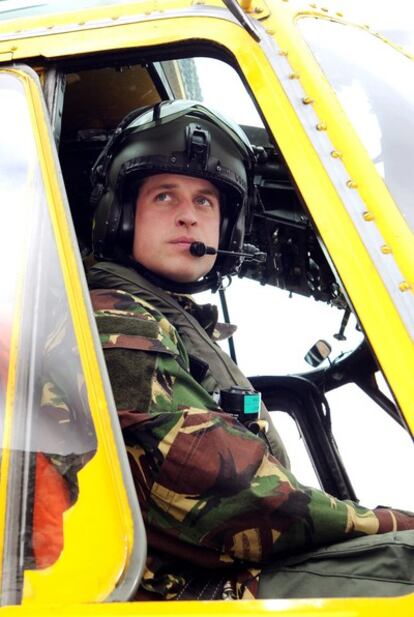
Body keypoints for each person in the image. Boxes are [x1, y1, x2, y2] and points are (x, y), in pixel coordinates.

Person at [87, 100, 414, 600]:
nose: (188, 217)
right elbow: (226, 494)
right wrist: (390, 523)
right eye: (164, 197)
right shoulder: (114, 318)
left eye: (205, 202)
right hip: (178, 590)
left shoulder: (166, 319)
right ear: (123, 215)